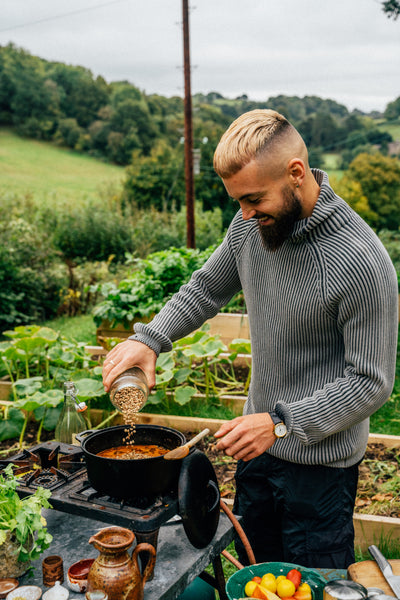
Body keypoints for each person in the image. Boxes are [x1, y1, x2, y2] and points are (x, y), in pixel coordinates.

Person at [102, 109, 398, 569]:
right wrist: (152, 339)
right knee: (254, 574)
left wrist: (280, 423)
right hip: (256, 452)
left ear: (296, 173)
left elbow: (371, 382)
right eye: (238, 201)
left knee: (308, 584)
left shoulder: (360, 262)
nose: (244, 213)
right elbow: (206, 288)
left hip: (320, 471)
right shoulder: (252, 224)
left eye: (254, 198)